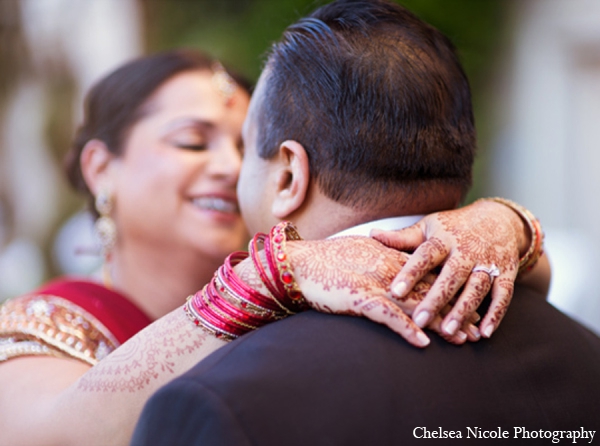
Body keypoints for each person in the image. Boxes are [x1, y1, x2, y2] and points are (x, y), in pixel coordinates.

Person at [0, 49, 545, 444]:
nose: (230, 168)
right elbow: (51, 435)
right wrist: (267, 276)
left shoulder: (329, 281)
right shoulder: (47, 323)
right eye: (193, 141)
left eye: (244, 147)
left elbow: (517, 286)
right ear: (100, 168)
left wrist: (504, 223)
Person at [130, 1, 600, 445]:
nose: (228, 173)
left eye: (246, 148)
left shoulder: (220, 401)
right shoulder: (585, 353)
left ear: (290, 175)